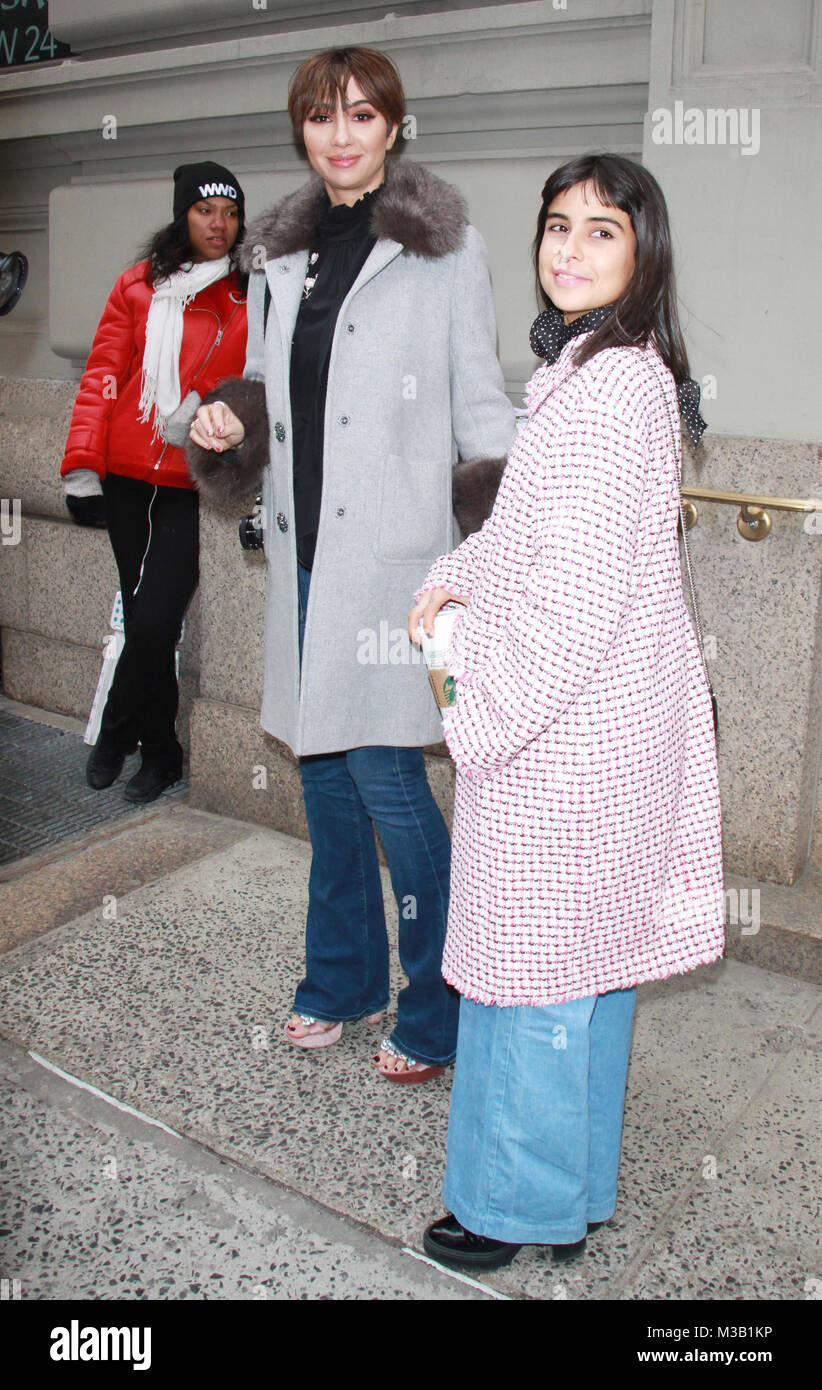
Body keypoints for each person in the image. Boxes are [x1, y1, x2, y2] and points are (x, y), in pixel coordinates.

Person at [409, 154, 724, 1266]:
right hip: (608, 732)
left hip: (565, 738)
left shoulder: (605, 395)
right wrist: (457, 571)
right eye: (556, 225)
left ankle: (511, 1212)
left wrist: (472, 693)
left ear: (643, 253)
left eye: (601, 230)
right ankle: (574, 1193)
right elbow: (528, 537)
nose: (568, 249)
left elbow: (571, 605)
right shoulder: (608, 375)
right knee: (585, 973)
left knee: (532, 982)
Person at [187, 47, 515, 1081]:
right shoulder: (282, 254)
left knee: (387, 780)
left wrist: (492, 545)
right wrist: (228, 419)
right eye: (323, 116)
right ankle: (340, 979)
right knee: (324, 780)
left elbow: (478, 402)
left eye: (363, 115)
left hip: (391, 562)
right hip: (303, 555)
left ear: (393, 129)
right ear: (302, 129)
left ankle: (445, 998)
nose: (342, 133)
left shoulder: (443, 247)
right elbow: (278, 394)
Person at [61, 163, 248, 803]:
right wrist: (83, 464)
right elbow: (103, 371)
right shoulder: (136, 286)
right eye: (204, 211)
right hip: (122, 472)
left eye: (228, 213)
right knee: (145, 618)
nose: (217, 225)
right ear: (182, 216)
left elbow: (235, 371)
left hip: (184, 477)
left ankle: (119, 734)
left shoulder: (246, 292)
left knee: (153, 618)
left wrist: (195, 399)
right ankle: (162, 753)